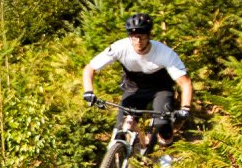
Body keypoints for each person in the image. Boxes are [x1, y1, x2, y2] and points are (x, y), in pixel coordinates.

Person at [80, 13, 195, 147]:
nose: (138, 41)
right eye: (134, 37)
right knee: (121, 127)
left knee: (163, 126)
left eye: (142, 36)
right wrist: (88, 91)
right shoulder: (119, 47)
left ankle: (167, 152)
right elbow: (89, 68)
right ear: (129, 36)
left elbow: (185, 82)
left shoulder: (165, 53)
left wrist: (185, 108)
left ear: (149, 36)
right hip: (134, 88)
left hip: (160, 89)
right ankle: (130, 151)